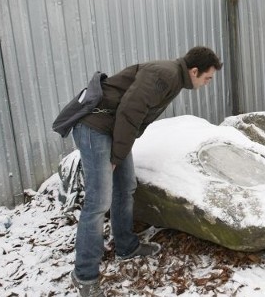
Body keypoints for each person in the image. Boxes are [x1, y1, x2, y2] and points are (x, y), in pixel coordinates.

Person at [70, 46, 223, 296]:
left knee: (126, 185)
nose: (208, 83)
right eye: (208, 78)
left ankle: (126, 246)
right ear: (194, 71)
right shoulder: (166, 75)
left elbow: (129, 116)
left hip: (113, 127)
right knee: (98, 202)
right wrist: (116, 157)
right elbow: (130, 112)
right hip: (94, 127)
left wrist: (119, 153)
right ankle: (84, 275)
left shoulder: (173, 77)